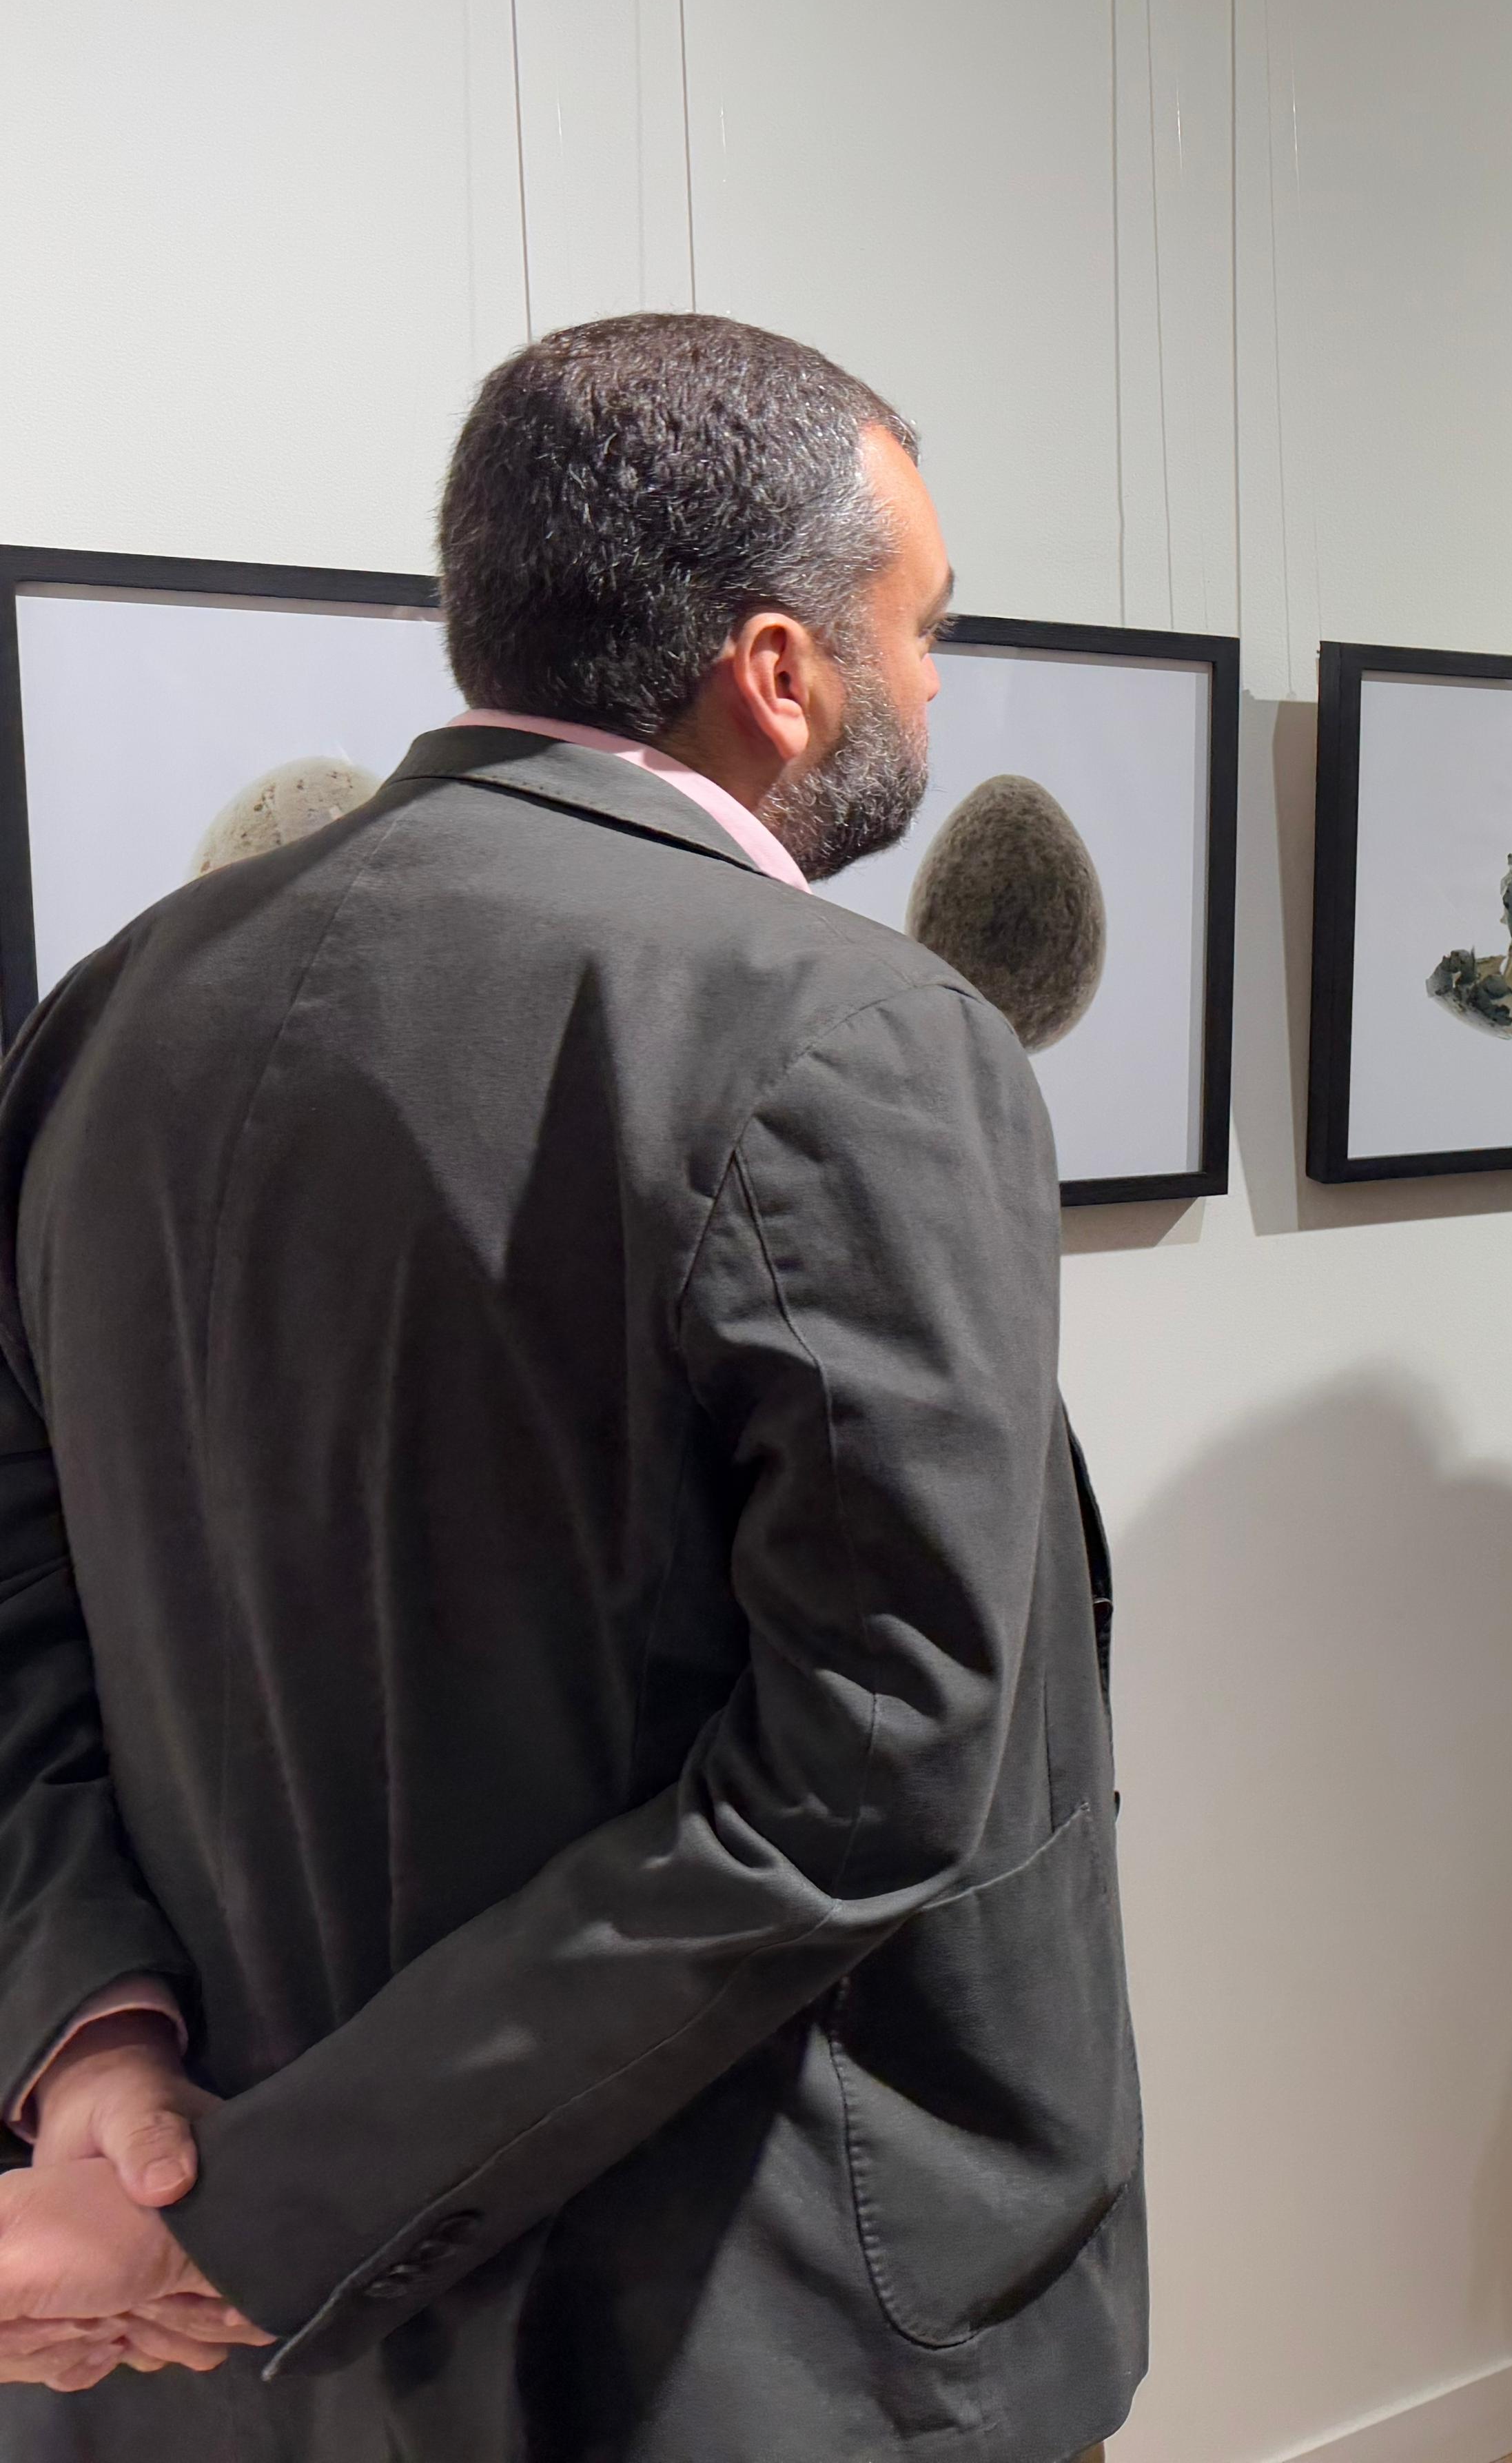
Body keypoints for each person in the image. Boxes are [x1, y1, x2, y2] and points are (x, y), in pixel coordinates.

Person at [0, 314, 1143, 2460]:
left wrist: (94, 2048)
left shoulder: (112, 1014)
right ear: (780, 669)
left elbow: (17, 1611)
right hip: (735, 2321)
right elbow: (870, 1764)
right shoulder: (852, 1035)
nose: (930, 683)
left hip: (208, 2356)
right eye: (923, 627)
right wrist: (267, 2209)